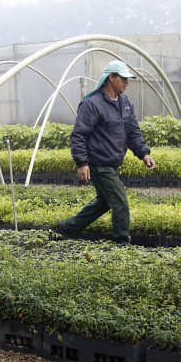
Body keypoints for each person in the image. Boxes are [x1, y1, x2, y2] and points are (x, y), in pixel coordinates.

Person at [56, 60, 155, 246]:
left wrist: (144, 154)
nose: (127, 82)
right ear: (111, 77)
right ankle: (122, 244)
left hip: (112, 162)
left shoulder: (125, 104)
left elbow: (133, 132)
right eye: (123, 78)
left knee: (104, 202)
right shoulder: (92, 104)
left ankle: (67, 228)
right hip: (98, 163)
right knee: (120, 202)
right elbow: (79, 136)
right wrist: (82, 163)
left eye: (128, 79)